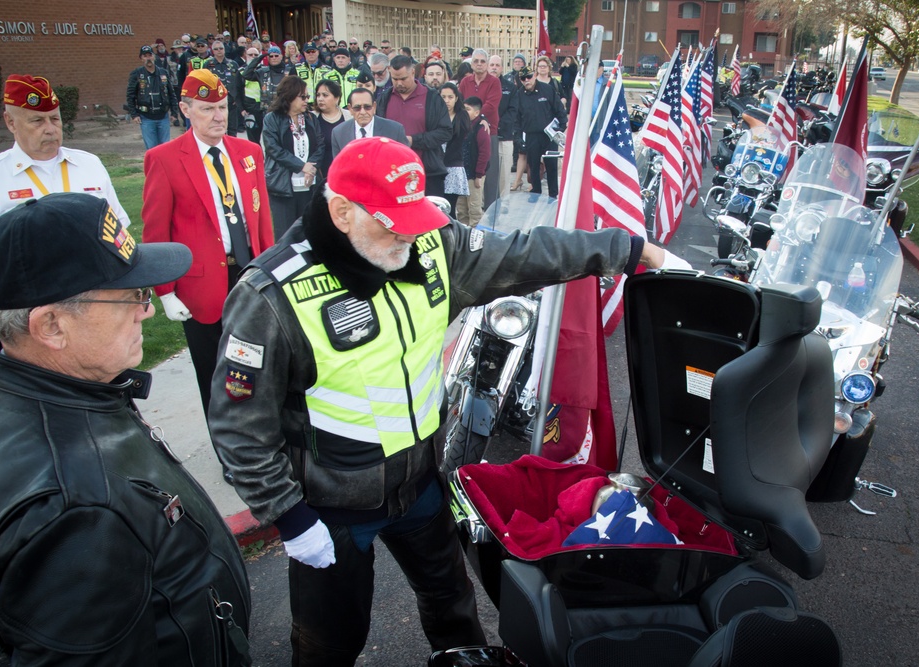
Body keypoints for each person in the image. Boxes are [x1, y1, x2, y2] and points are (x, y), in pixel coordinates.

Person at [206, 136, 689, 666]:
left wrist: (626, 249)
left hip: (420, 485)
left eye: (415, 219)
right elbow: (239, 429)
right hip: (333, 505)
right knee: (330, 639)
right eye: (392, 223)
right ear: (342, 212)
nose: (409, 237)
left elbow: (526, 252)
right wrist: (289, 517)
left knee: (454, 606)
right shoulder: (271, 295)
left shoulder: (432, 244)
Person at [0, 192, 251, 664]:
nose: (147, 309)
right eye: (131, 296)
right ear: (52, 326)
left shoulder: (41, 393)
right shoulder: (74, 509)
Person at [141, 69, 274, 483]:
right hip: (200, 288)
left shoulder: (248, 151)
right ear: (185, 110)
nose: (218, 117)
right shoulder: (163, 159)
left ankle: (266, 443)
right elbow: (155, 231)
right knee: (215, 378)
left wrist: (270, 268)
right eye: (207, 109)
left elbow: (261, 215)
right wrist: (165, 291)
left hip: (248, 276)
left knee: (262, 367)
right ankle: (230, 457)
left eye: (222, 108)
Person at [0, 74, 130, 244]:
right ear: (10, 122)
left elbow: (120, 230)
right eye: (38, 121)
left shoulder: (89, 164)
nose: (50, 129)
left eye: (55, 119)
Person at [376, 55, 453, 197]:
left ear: (413, 72)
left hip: (427, 173)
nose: (399, 83)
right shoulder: (385, 98)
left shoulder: (432, 98)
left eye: (403, 79)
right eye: (395, 79)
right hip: (393, 173)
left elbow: (445, 132)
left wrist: (413, 140)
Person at [263, 76, 324, 239]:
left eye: (307, 97)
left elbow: (320, 145)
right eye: (303, 97)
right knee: (285, 236)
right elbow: (273, 149)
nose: (307, 101)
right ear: (289, 96)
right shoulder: (272, 119)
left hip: (308, 185)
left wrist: (310, 168)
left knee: (308, 232)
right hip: (283, 187)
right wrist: (301, 166)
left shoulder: (311, 118)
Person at [505, 66, 567, 198]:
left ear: (534, 76)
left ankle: (553, 195)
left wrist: (561, 128)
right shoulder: (519, 95)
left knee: (551, 166)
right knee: (533, 166)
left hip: (549, 135)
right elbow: (517, 118)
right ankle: (536, 194)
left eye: (529, 77)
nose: (527, 80)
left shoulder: (547, 89)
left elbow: (559, 109)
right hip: (531, 135)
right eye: (523, 78)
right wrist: (518, 137)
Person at [456, 48, 500, 207]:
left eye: (482, 61)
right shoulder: (465, 82)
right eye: (476, 61)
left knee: (490, 171)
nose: (479, 64)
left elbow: (492, 104)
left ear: (487, 64)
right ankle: (470, 209)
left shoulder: (494, 82)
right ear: (471, 64)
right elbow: (459, 103)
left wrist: (481, 117)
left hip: (488, 131)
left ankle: (491, 209)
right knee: (468, 171)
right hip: (466, 133)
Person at [331, 87, 408, 157]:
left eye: (367, 107)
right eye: (357, 108)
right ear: (350, 109)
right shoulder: (339, 133)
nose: (363, 112)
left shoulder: (395, 130)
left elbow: (405, 161)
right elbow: (339, 168)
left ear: (374, 107)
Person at [128, 45, 179, 150]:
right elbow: (130, 95)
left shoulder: (163, 73)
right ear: (141, 58)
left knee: (165, 148)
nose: (148, 58)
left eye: (150, 55)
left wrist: (174, 112)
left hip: (163, 116)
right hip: (146, 117)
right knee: (152, 149)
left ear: (154, 56)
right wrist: (134, 114)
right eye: (145, 56)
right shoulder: (136, 74)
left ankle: (164, 167)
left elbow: (171, 93)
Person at [242, 45, 297, 119]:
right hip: (267, 111)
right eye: (271, 56)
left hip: (285, 110)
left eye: (276, 56)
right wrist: (258, 59)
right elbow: (246, 74)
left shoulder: (289, 70)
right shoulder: (262, 72)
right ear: (268, 58)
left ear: (281, 56)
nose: (274, 58)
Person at [438, 83, 470, 214]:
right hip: (437, 165)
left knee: (450, 208)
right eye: (443, 97)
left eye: (450, 97)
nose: (446, 100)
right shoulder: (436, 114)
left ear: (456, 98)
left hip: (453, 165)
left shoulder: (462, 116)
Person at [489, 55, 518, 196]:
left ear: (502, 68)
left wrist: (497, 125)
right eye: (492, 64)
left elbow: (513, 111)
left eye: (497, 65)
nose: (494, 67)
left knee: (504, 173)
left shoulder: (510, 87)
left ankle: (504, 202)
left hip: (504, 136)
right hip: (485, 136)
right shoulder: (482, 86)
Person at [460, 96, 491, 227]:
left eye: (467, 109)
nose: (464, 112)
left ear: (477, 112)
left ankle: (475, 238)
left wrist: (479, 175)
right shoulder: (461, 125)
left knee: (475, 209)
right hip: (460, 174)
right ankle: (463, 236)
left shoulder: (481, 128)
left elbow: (485, 154)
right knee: (461, 209)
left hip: (474, 175)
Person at [312, 79, 351, 176]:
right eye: (318, 95)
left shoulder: (349, 117)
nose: (320, 99)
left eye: (325, 95)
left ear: (337, 98)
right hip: (320, 173)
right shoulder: (311, 118)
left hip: (345, 172)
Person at [205, 40, 244, 136]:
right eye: (216, 49)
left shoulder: (233, 64)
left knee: (232, 128)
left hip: (231, 101)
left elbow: (239, 83)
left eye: (221, 48)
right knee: (218, 127)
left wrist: (237, 98)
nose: (219, 51)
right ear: (212, 51)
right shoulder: (208, 64)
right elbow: (205, 83)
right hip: (216, 102)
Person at [241, 46, 264, 142]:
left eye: (256, 55)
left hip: (263, 107)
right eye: (250, 55)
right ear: (245, 56)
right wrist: (241, 108)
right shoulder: (241, 71)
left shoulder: (264, 70)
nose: (253, 57)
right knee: (253, 139)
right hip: (250, 108)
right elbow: (237, 92)